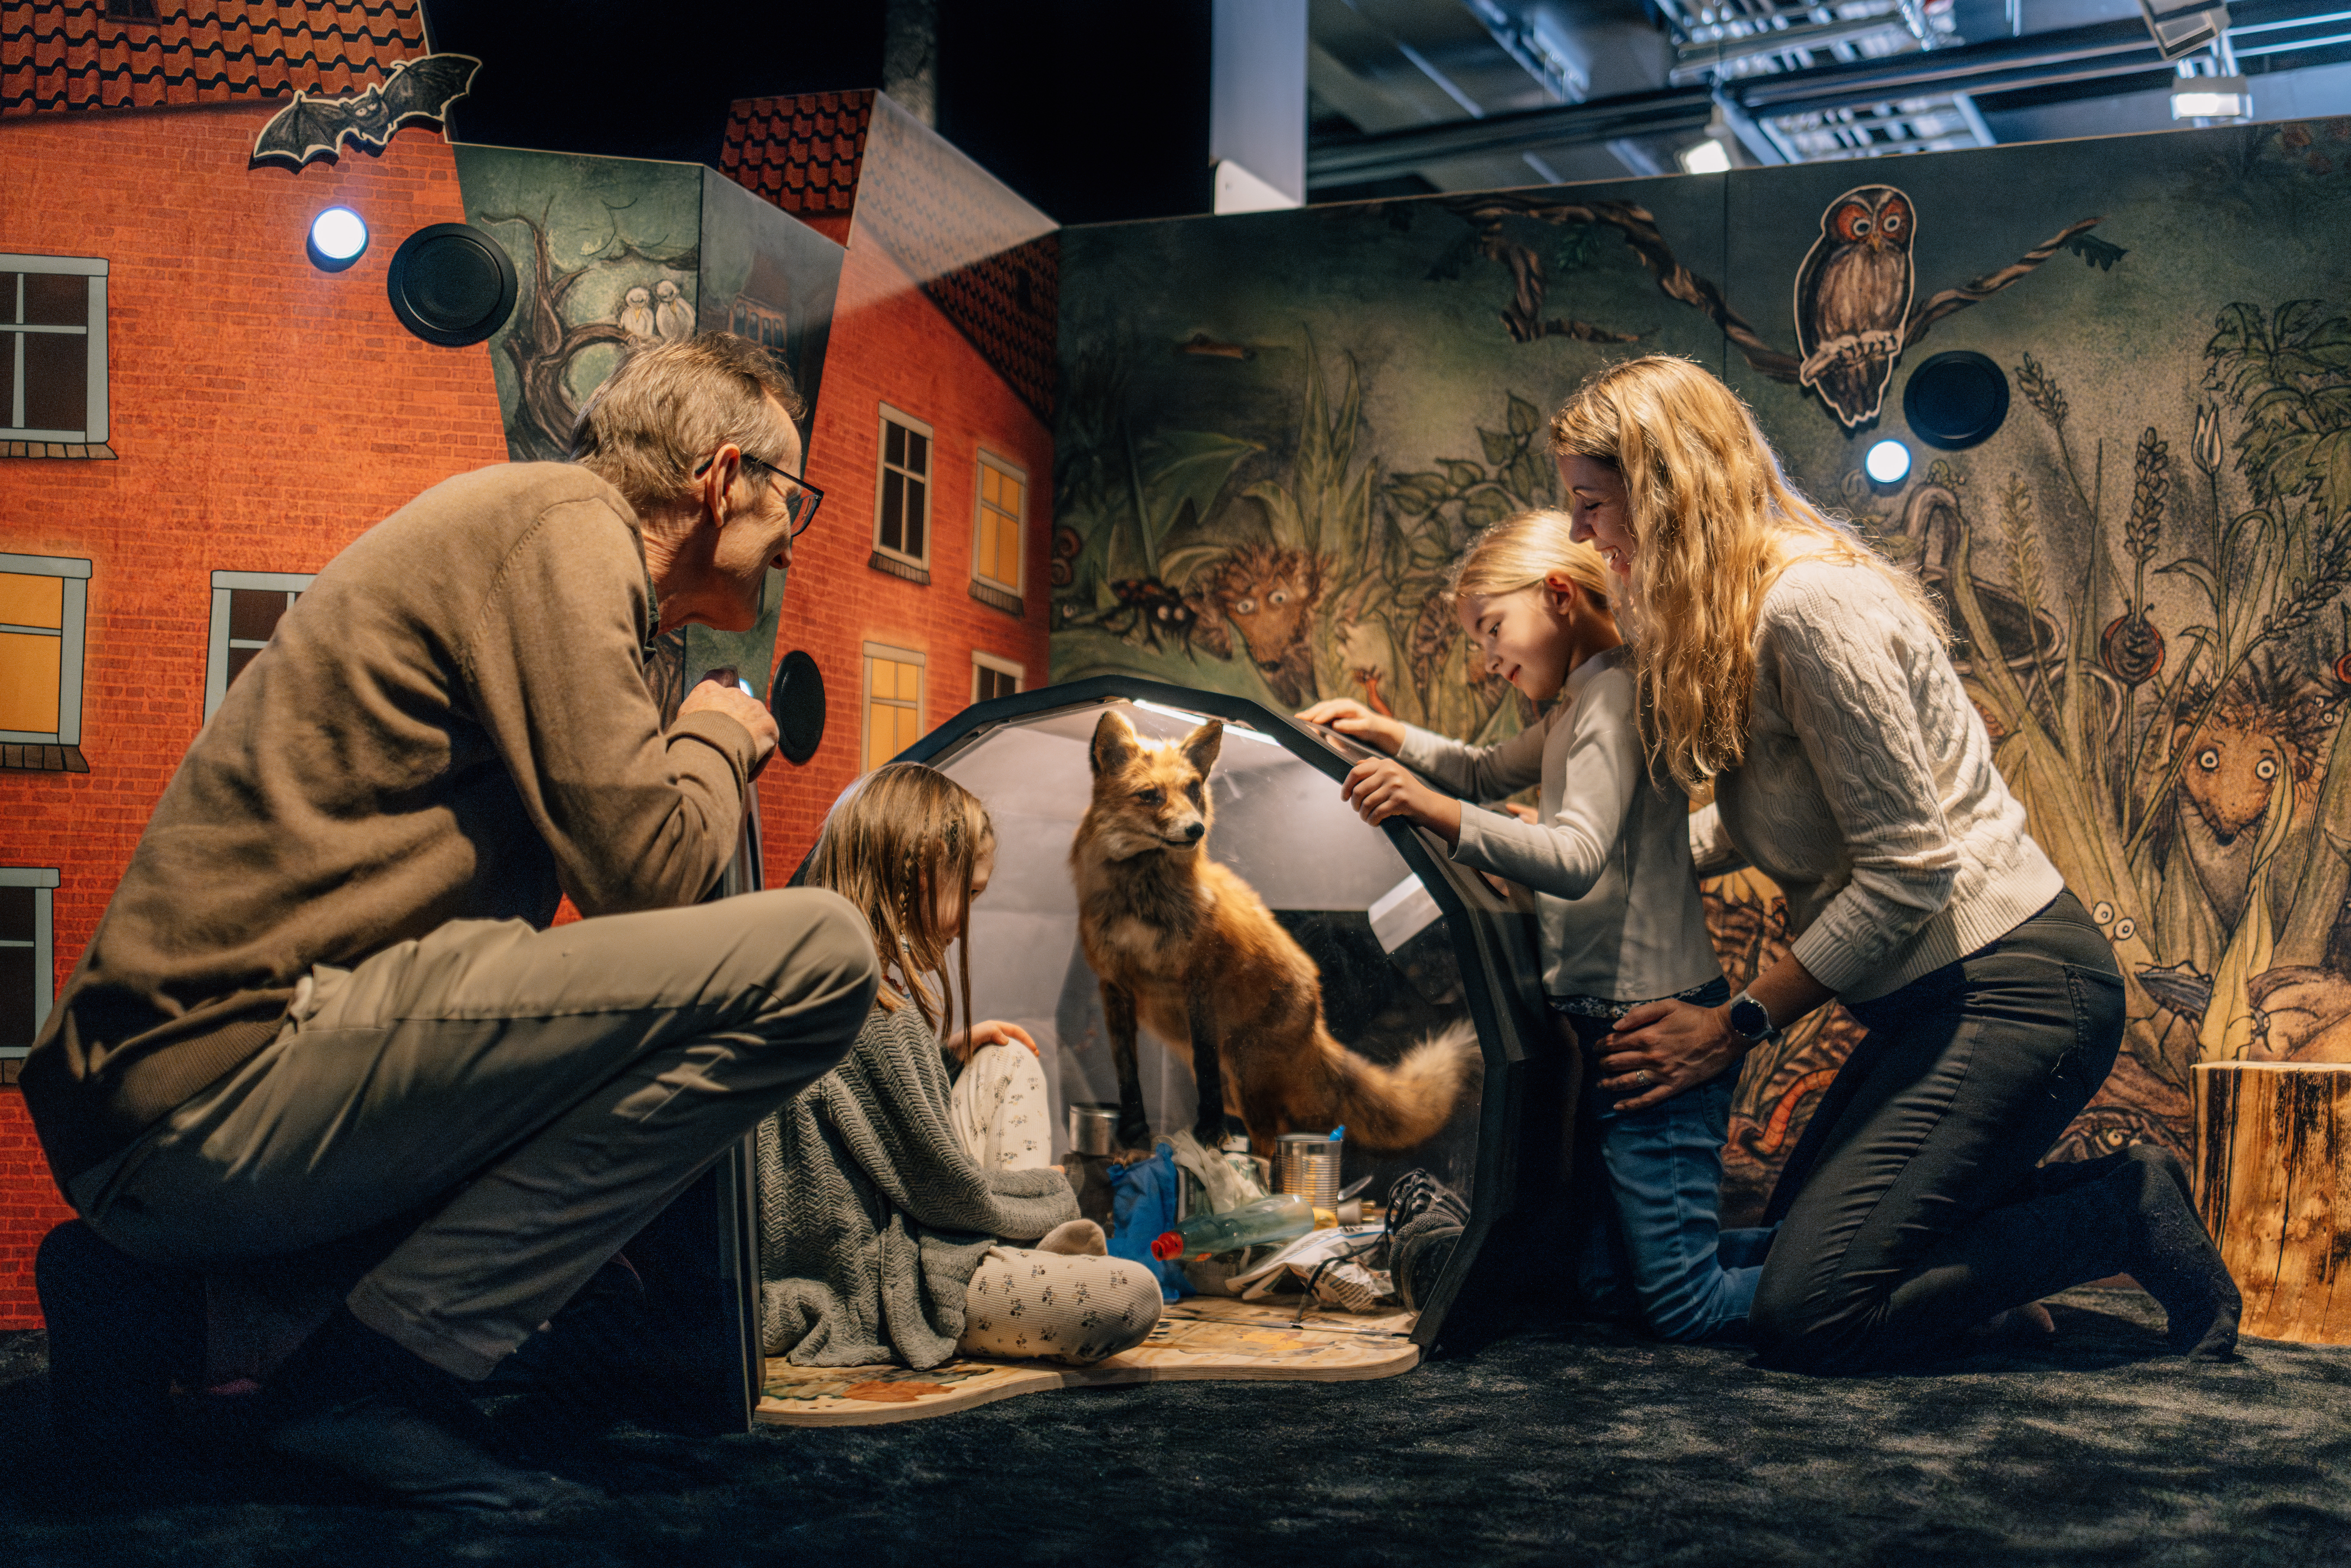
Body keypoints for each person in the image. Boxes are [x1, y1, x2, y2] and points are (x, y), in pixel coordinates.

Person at [21, 332, 881, 1507]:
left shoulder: (571, 570)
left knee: (602, 1282)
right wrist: (724, 729)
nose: (795, 533)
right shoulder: (564, 527)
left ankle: (180, 1317)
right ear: (721, 476)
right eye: (795, 495)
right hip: (225, 1079)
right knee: (823, 957)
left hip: (190, 1108)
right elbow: (657, 875)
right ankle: (373, 1379)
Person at [1545, 353, 2238, 1373]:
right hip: (1928, 1003)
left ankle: (2122, 1209)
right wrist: (1601, 872)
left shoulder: (1808, 608)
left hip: (2013, 992)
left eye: (1589, 503)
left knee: (1810, 1312)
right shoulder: (1744, 614)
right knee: (1800, 1255)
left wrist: (1733, 1026)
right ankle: (1992, 1271)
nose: (1579, 533)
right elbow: (1771, 824)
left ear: (1662, 492)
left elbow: (1908, 869)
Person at [1302, 512, 1764, 1343]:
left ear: (1558, 594)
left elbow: (1576, 853)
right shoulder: (1578, 703)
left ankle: (1876, 1274)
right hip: (1606, 1021)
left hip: (1650, 1024)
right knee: (1607, 1280)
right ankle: (1833, 1258)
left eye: (1492, 628)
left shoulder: (1612, 698)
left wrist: (1432, 808)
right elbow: (1484, 769)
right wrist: (1395, 736)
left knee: (1683, 1304)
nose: (1488, 659)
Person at [757, 763, 1164, 1369]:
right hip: (889, 1267)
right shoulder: (875, 1016)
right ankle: (1025, 1249)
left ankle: (1024, 1248)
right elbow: (948, 1193)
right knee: (1129, 1297)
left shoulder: (817, 981)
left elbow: (876, 1132)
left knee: (1004, 1058)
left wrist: (946, 1056)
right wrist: (1052, 1190)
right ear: (917, 874)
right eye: (969, 894)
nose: (964, 925)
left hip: (921, 1213)